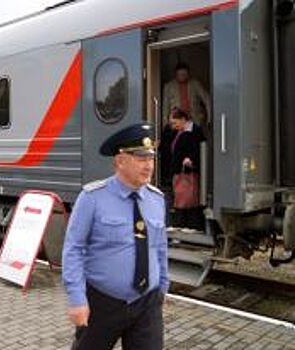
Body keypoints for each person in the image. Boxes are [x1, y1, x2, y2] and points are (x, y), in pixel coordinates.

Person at [62, 123, 169, 350]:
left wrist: (162, 288)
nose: (149, 165)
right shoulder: (92, 198)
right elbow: (74, 249)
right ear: (120, 161)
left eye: (151, 158)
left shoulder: (156, 200)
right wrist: (77, 298)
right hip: (101, 303)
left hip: (147, 305)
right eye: (141, 158)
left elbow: (160, 248)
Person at [168, 108, 206, 230]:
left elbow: (200, 148)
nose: (173, 126)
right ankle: (181, 224)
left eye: (175, 123)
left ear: (183, 119)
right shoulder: (179, 131)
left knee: (188, 197)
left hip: (188, 170)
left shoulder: (195, 130)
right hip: (179, 170)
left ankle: (191, 224)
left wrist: (191, 159)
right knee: (180, 196)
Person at [162, 62, 210, 131]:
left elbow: (207, 99)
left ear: (188, 74)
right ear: (175, 75)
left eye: (184, 74)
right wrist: (165, 125)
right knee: (178, 140)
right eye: (180, 75)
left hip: (193, 120)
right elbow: (165, 107)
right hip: (176, 122)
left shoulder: (195, 84)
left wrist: (209, 119)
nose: (182, 76)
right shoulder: (169, 86)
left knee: (192, 140)